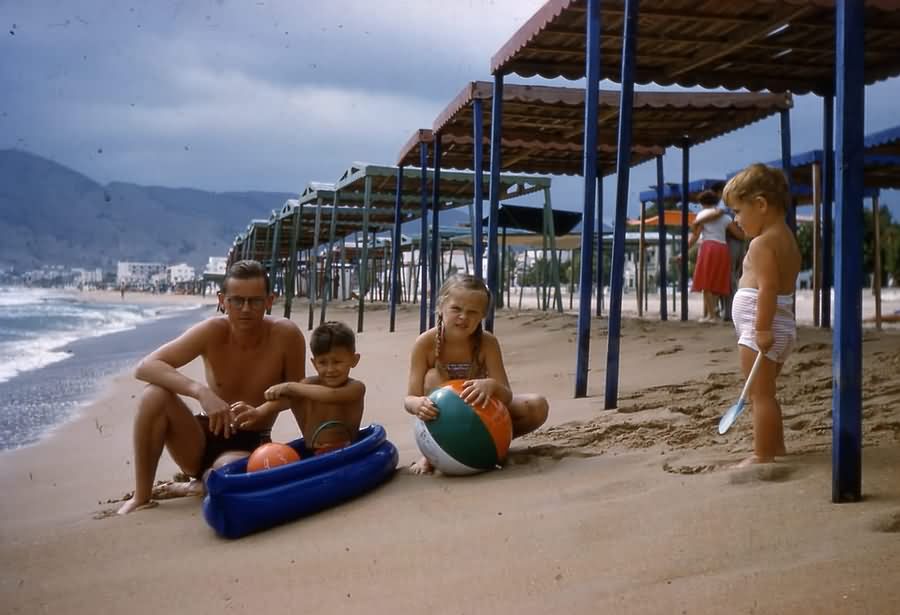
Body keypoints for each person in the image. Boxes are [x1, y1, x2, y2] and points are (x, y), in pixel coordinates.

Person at [117, 260, 306, 514]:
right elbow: (146, 366)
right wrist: (201, 392)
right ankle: (142, 496)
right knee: (154, 394)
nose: (246, 309)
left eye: (255, 301)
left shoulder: (286, 335)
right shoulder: (212, 331)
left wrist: (263, 411)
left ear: (270, 300)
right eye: (237, 300)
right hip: (201, 437)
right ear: (222, 300)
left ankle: (194, 486)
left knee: (224, 473)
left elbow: (298, 394)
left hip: (249, 443)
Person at [404, 273, 549, 474]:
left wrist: (490, 385)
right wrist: (417, 404)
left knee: (537, 406)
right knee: (432, 378)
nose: (463, 317)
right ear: (441, 307)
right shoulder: (425, 344)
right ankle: (432, 452)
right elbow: (409, 398)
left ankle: (491, 445)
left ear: (482, 316)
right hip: (442, 421)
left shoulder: (487, 343)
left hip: (481, 416)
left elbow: (506, 395)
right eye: (456, 309)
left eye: (473, 312)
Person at [722, 163, 801, 466]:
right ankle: (776, 446)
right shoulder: (788, 239)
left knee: (759, 396)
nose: (737, 220)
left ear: (760, 205)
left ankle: (762, 454)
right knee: (766, 392)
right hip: (780, 327)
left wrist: (762, 329)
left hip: (762, 327)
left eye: (738, 212)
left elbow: (767, 288)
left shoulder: (761, 243)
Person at [250, 321, 365, 455]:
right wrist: (259, 412)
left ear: (354, 360)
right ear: (314, 363)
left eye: (337, 362)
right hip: (312, 452)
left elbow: (332, 395)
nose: (330, 369)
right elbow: (289, 400)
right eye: (322, 362)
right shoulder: (307, 386)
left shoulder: (356, 388)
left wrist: (290, 386)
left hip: (346, 451)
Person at [688, 190, 745, 322]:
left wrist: (684, 249)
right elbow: (739, 235)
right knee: (716, 282)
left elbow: (695, 236)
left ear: (702, 203)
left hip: (708, 247)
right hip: (722, 248)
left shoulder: (701, 216)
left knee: (705, 283)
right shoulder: (725, 217)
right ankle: (713, 313)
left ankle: (711, 315)